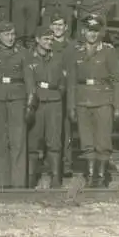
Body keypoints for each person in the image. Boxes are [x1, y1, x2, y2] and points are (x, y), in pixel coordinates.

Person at [67, 15, 119, 188]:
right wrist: (71, 106)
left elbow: (117, 80)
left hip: (103, 101)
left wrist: (117, 106)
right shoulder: (76, 52)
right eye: (88, 31)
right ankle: (91, 176)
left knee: (103, 141)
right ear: (83, 31)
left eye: (95, 31)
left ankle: (101, 176)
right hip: (82, 101)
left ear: (100, 33)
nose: (92, 34)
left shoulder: (108, 51)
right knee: (87, 141)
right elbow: (71, 82)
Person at [0, 21, 37, 189]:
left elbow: (30, 82)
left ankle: (18, 183)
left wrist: (29, 105)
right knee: (0, 140)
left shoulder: (23, 53)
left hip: (17, 99)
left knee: (18, 141)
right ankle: (4, 183)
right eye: (6, 34)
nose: (10, 38)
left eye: (13, 34)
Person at [27, 26, 67, 189]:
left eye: (51, 39)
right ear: (37, 39)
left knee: (54, 142)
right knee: (33, 141)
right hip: (37, 103)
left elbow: (64, 83)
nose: (49, 42)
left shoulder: (58, 58)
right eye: (45, 39)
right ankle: (31, 177)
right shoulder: (29, 58)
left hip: (54, 103)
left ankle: (56, 178)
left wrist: (58, 93)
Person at [49, 11, 76, 177]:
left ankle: (66, 164)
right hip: (51, 92)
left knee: (66, 129)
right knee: (50, 129)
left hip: (67, 92)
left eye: (61, 25)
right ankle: (50, 163)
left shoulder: (72, 46)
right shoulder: (47, 43)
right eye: (55, 25)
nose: (58, 28)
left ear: (66, 27)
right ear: (51, 26)